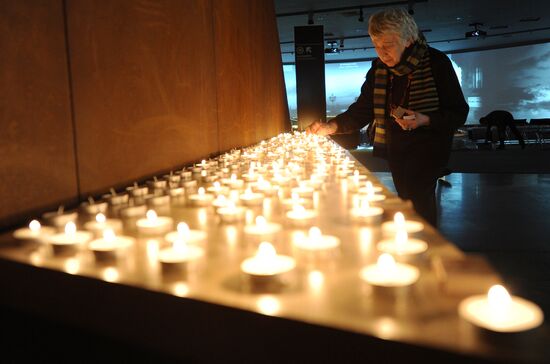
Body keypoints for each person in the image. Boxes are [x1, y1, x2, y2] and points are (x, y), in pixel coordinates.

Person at [306, 8, 468, 227]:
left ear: (409, 39)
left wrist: (424, 119)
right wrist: (332, 126)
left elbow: (458, 112)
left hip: (429, 148)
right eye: (376, 45)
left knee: (418, 203)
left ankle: (426, 249)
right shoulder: (379, 69)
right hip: (397, 149)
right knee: (406, 201)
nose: (381, 53)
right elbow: (363, 109)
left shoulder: (436, 63)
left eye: (388, 45)